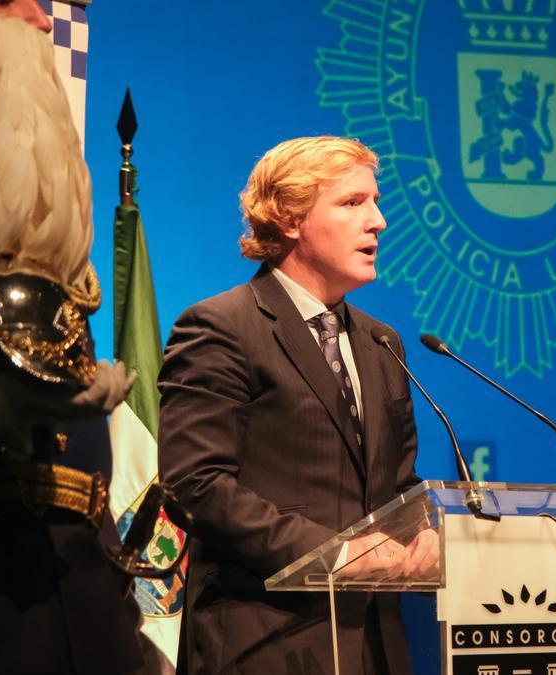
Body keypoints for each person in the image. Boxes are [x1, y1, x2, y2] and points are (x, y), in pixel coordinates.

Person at [0, 4, 142, 673]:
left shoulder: (39, 166)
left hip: (80, 599)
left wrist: (115, 602)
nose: (43, 19)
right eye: (4, 0)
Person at [159, 136, 434, 674]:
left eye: (376, 202)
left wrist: (426, 534)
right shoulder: (221, 328)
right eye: (353, 203)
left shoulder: (382, 343)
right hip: (266, 640)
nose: (378, 221)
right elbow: (195, 484)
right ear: (288, 219)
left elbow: (399, 485)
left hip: (377, 645)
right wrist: (336, 552)